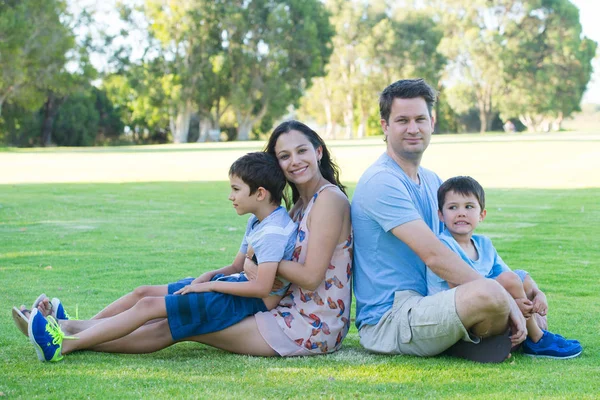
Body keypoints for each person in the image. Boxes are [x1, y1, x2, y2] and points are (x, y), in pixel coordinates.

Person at [24, 120, 352, 361]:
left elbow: (309, 277)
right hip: (279, 306)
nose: (294, 161)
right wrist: (228, 272)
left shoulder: (328, 200)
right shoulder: (295, 206)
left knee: (176, 325)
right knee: (158, 304)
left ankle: (65, 340)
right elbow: (253, 267)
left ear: (318, 151)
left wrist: (260, 265)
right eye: (284, 155)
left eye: (302, 151)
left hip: (308, 326)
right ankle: (68, 326)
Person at [351, 78, 526, 362]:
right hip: (392, 316)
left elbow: (458, 248)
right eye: (402, 120)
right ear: (385, 126)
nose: (413, 128)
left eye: (420, 119)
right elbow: (434, 255)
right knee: (492, 295)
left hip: (435, 299)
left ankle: (463, 339)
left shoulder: (432, 180)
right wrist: (504, 297)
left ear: (432, 122)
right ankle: (473, 337)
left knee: (512, 284)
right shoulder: (381, 181)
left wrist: (520, 284)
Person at [427, 176, 582, 359]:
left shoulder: (483, 244)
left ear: (482, 214)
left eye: (469, 207)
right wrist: (510, 304)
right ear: (441, 215)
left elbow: (514, 276)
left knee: (516, 279)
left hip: (482, 309)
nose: (461, 213)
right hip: (455, 312)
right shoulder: (443, 245)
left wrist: (537, 292)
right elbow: (458, 290)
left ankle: (518, 334)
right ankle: (537, 338)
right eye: (453, 207)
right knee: (508, 282)